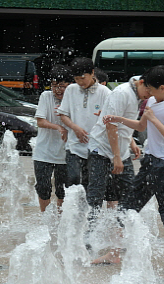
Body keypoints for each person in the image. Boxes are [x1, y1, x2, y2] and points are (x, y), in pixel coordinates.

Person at [99, 65, 164, 271]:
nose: (148, 93)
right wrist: (119, 119)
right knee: (126, 208)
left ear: (163, 87)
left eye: (151, 89)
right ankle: (114, 254)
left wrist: (154, 119)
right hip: (150, 163)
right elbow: (140, 126)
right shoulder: (154, 101)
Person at [86, 75, 150, 250]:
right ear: (141, 83)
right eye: (148, 91)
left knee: (129, 194)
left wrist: (131, 142)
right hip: (101, 149)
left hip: (120, 151)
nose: (149, 96)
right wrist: (116, 157)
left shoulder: (137, 93)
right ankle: (88, 239)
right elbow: (111, 124)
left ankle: (121, 238)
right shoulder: (122, 93)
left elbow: (123, 122)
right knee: (96, 196)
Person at [57, 57, 111, 194]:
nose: (80, 82)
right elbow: (63, 114)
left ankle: (85, 213)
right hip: (74, 144)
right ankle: (71, 212)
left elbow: (111, 120)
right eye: (76, 79)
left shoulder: (105, 92)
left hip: (95, 147)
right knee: (73, 179)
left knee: (90, 183)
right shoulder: (71, 90)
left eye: (83, 78)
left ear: (92, 73)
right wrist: (75, 128)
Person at [32, 65, 73, 212]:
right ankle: (46, 217)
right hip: (44, 152)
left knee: (63, 189)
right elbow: (40, 121)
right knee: (43, 187)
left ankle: (61, 217)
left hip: (66, 153)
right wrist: (59, 127)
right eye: (54, 86)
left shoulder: (75, 99)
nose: (58, 90)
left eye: (62, 86)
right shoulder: (46, 96)